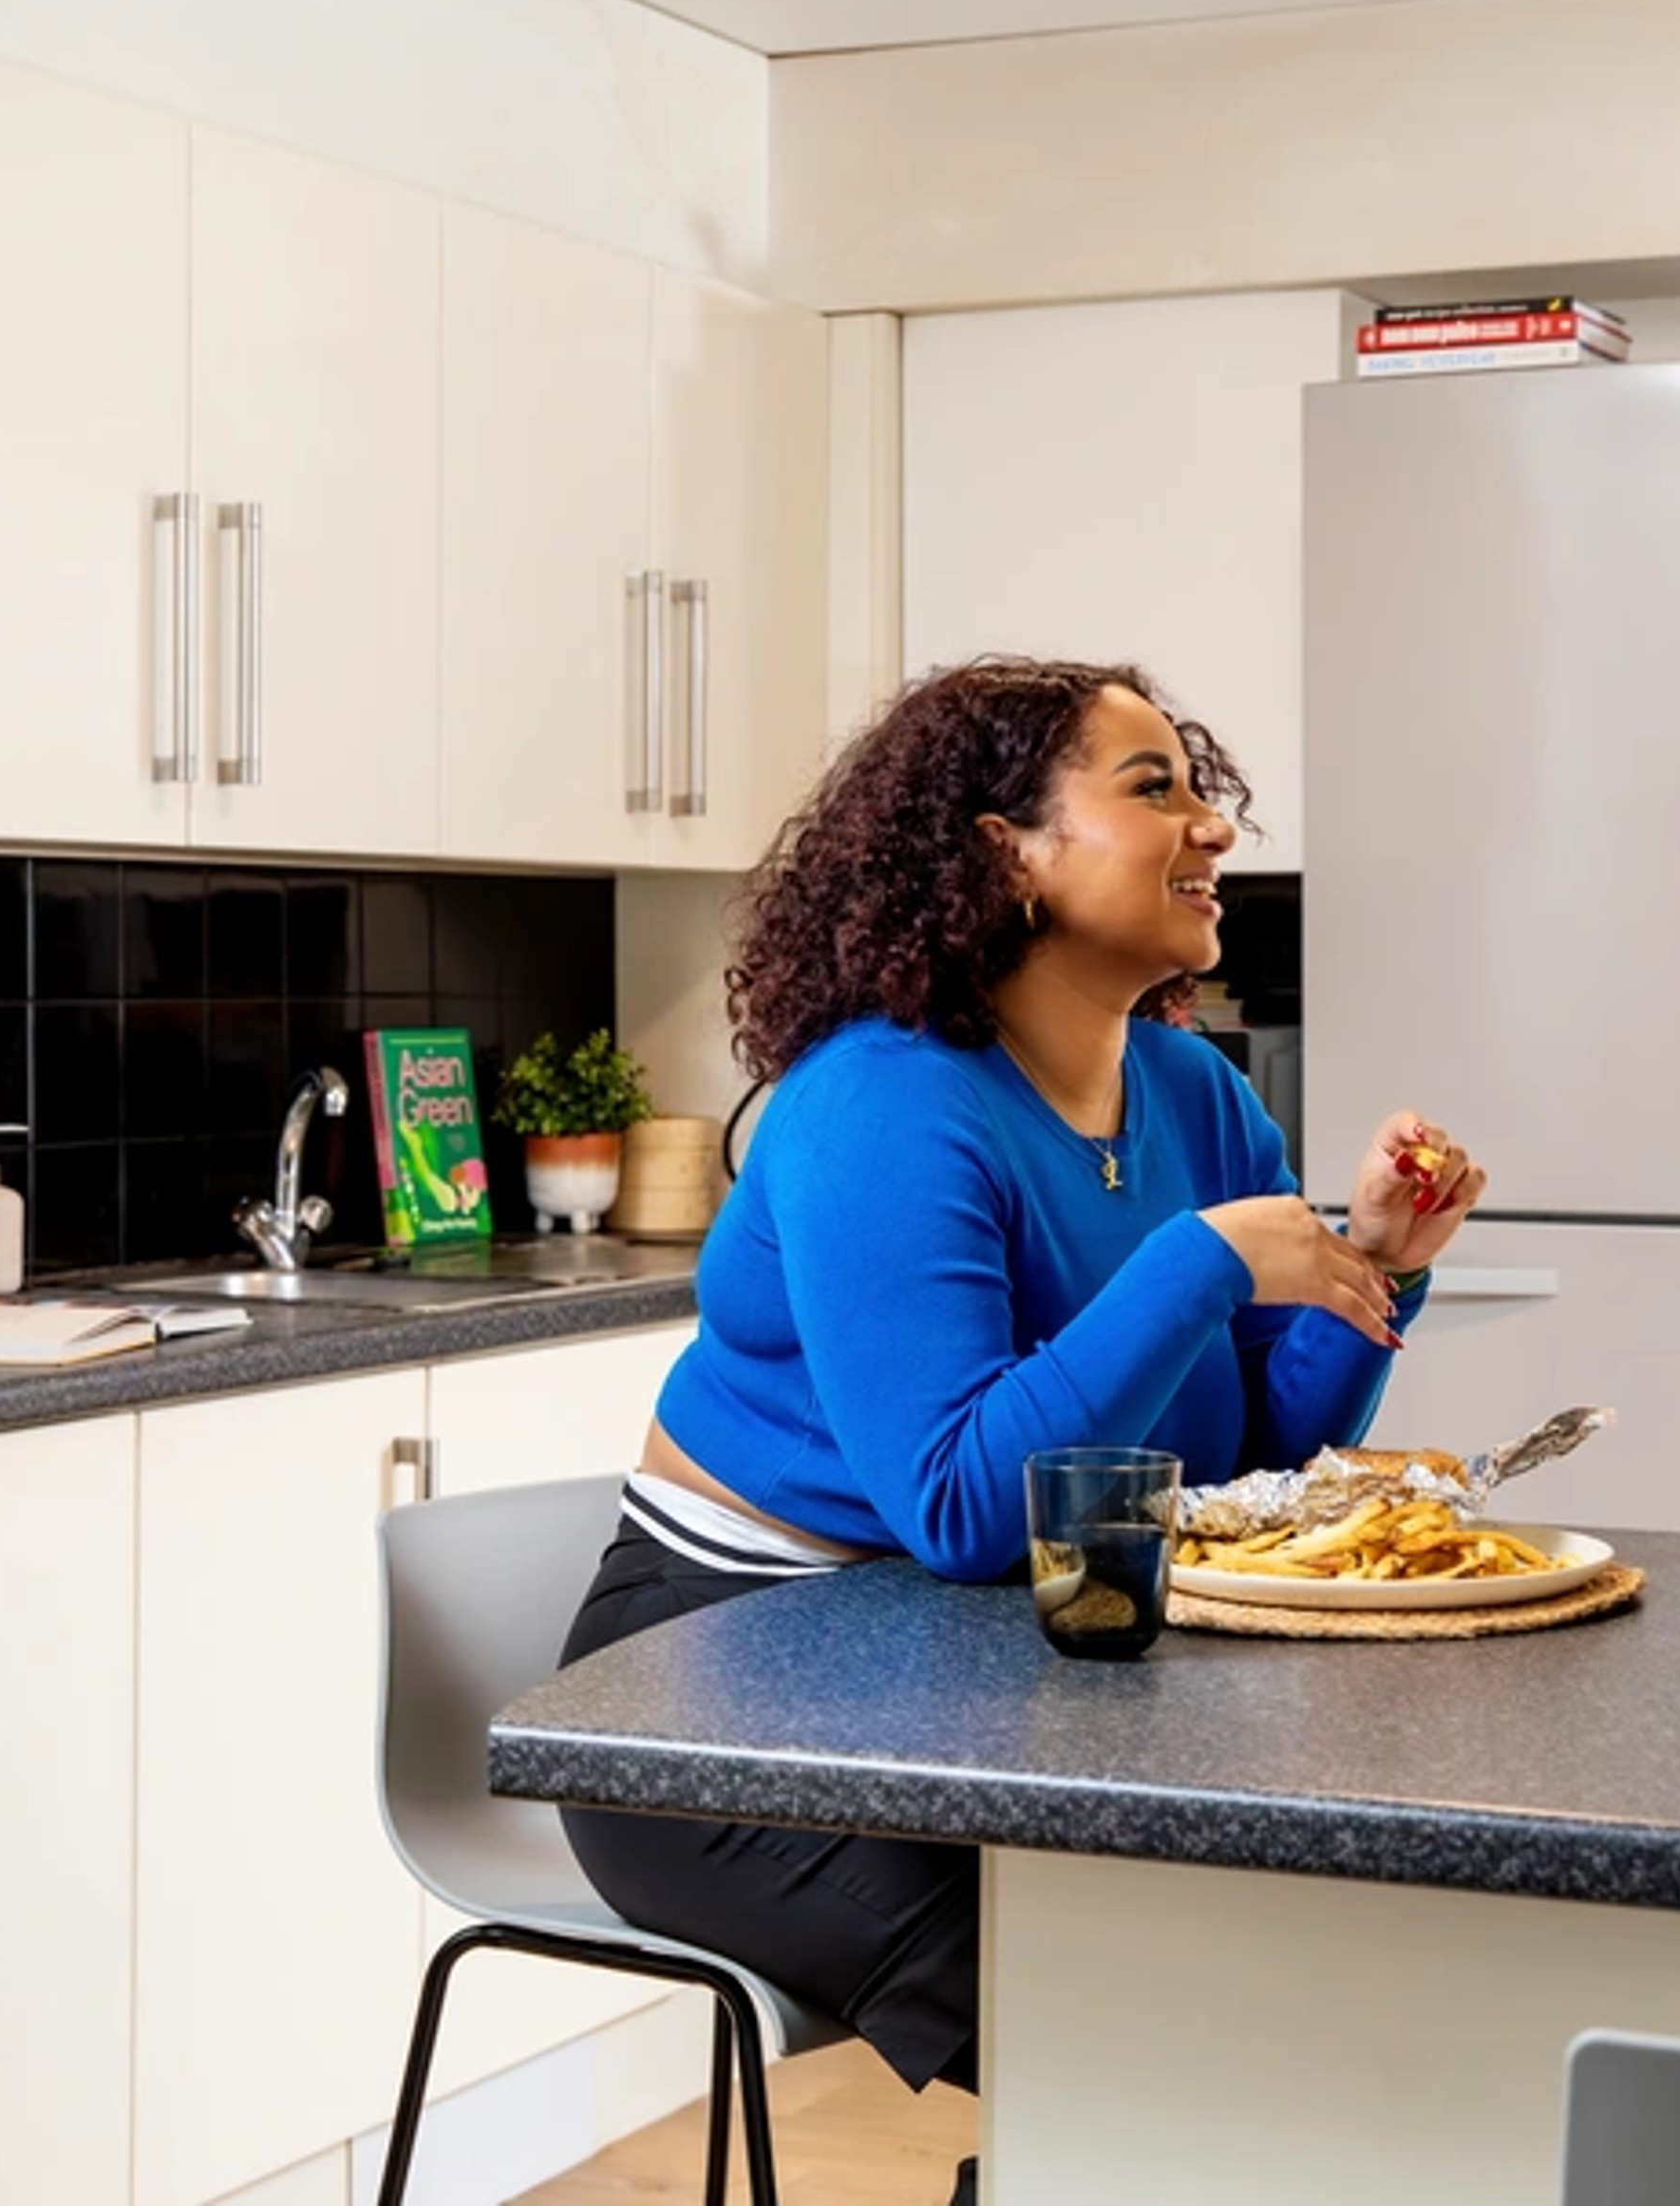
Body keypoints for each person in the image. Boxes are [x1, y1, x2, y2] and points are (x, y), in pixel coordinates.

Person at [557, 655, 1485, 2146]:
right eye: (1153, 787)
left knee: (1275, 1987)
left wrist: (1371, 1266)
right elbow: (965, 1505)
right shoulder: (879, 1100)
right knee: (1142, 2034)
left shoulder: (1194, 1095)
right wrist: (1198, 1263)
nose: (1215, 827)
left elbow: (1246, 1452)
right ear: (1008, 851)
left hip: (985, 1672)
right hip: (719, 1706)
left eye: (1201, 785)